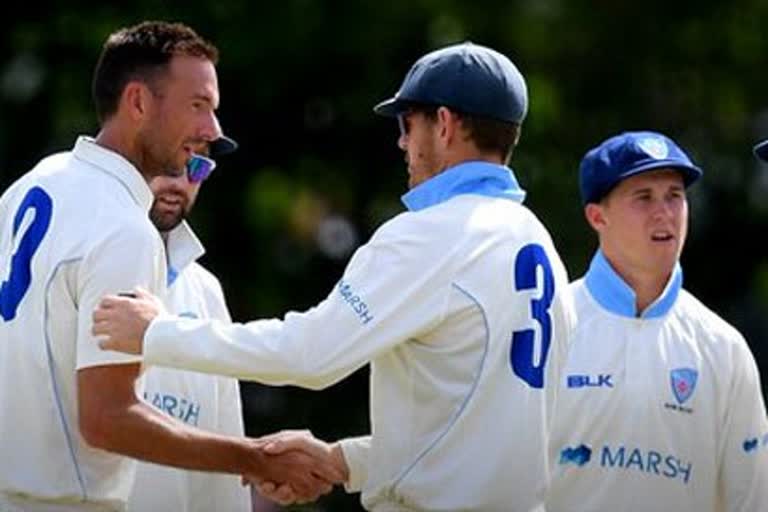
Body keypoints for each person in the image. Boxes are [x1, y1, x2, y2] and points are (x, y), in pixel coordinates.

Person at [94, 41, 574, 511]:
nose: (402, 142)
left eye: (407, 125)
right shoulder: (540, 245)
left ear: (444, 124)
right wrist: (342, 462)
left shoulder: (430, 235)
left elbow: (312, 354)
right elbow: (477, 435)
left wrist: (157, 332)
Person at [0, 21, 336, 511]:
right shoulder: (124, 228)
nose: (212, 131)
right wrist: (257, 459)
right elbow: (107, 419)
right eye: (198, 106)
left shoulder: (31, 186)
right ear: (137, 102)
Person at [545, 131, 768, 511]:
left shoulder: (722, 346)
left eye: (674, 196)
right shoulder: (549, 326)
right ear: (597, 216)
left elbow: (750, 498)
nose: (664, 212)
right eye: (643, 197)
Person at [127, 138, 251, 512]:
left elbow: (223, 456)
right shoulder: (77, 261)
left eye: (198, 167)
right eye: (171, 161)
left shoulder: (206, 291)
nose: (180, 181)